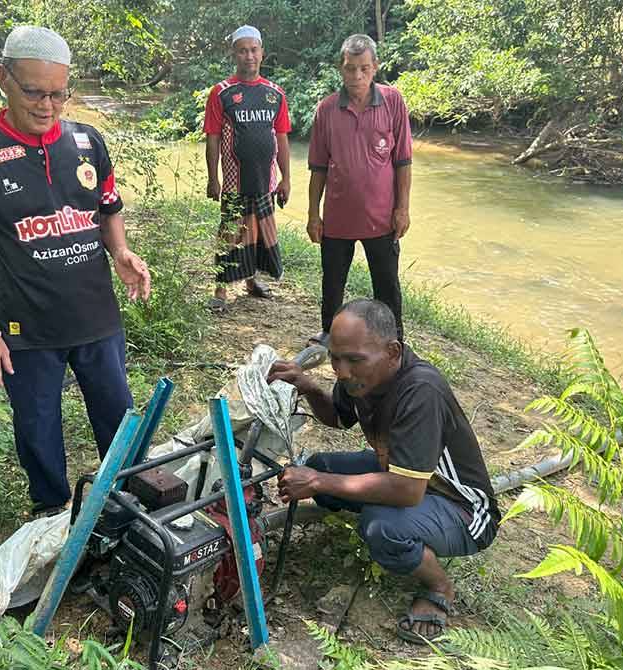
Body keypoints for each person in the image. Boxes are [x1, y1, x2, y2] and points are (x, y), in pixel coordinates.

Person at [0, 26, 151, 517]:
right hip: (24, 326)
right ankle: (50, 511)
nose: (47, 105)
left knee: (118, 416)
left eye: (58, 93)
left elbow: (107, 207)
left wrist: (120, 252)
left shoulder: (87, 142)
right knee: (36, 426)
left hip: (96, 315)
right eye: (34, 91)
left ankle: (123, 502)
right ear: (3, 79)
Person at [268, 299, 499, 643]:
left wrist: (317, 482)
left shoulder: (420, 390)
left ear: (392, 352)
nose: (342, 371)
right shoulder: (363, 376)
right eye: (335, 358)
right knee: (319, 466)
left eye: (354, 360)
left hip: (461, 507)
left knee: (381, 526)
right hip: (399, 472)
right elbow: (339, 417)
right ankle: (393, 523)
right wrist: (310, 386)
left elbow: (407, 490)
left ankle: (439, 587)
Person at [307, 34, 412, 343]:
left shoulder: (393, 101)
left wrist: (402, 209)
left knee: (387, 284)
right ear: (341, 68)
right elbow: (318, 169)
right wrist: (314, 215)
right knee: (333, 283)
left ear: (375, 67)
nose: (357, 76)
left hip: (381, 218)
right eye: (351, 68)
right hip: (337, 218)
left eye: (364, 68)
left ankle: (393, 340)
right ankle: (330, 334)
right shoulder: (325, 110)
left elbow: (403, 162)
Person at [203, 24, 292, 311]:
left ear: (262, 53)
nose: (249, 56)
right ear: (234, 54)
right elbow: (213, 138)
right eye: (243, 50)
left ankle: (252, 281)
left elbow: (281, 138)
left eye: (254, 50)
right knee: (230, 231)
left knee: (257, 231)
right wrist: (212, 178)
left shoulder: (275, 93)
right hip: (232, 182)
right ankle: (220, 289)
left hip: (265, 181)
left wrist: (286, 178)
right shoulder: (221, 93)